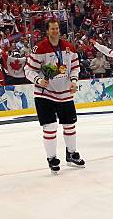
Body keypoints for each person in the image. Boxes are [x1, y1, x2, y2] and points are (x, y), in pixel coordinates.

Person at [24, 18, 85, 173]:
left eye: (57, 28)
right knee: (50, 127)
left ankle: (71, 154)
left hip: (65, 94)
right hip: (45, 95)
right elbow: (28, 70)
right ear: (47, 31)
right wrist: (38, 80)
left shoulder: (69, 47)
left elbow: (75, 67)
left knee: (70, 125)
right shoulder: (40, 48)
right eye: (52, 29)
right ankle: (52, 158)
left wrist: (74, 81)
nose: (55, 31)